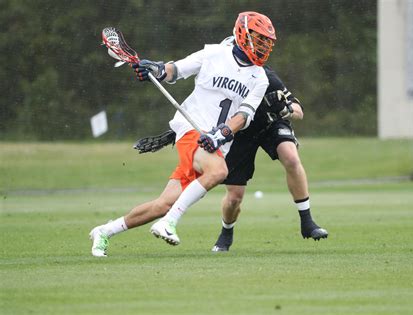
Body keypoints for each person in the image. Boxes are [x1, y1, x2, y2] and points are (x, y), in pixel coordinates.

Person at [89, 11, 277, 257]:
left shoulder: (259, 78)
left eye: (267, 42)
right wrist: (155, 69)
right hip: (190, 128)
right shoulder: (213, 54)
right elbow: (174, 70)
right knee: (219, 171)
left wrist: (220, 134)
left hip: (216, 143)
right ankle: (169, 223)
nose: (263, 46)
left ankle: (104, 231)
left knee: (163, 204)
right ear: (242, 34)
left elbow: (243, 116)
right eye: (258, 39)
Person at [211, 49, 328, 252]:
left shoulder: (266, 76)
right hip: (240, 133)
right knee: (234, 197)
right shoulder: (222, 80)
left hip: (269, 125)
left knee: (291, 158)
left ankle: (307, 222)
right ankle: (226, 231)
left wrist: (286, 109)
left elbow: (299, 111)